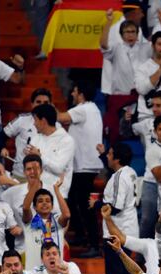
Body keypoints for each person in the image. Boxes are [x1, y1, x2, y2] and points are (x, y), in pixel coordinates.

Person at [57, 81, 103, 257]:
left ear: (81, 93)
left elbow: (61, 117)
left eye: (75, 91)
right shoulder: (93, 108)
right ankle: (83, 236)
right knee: (75, 200)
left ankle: (93, 244)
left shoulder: (83, 108)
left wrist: (46, 106)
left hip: (84, 165)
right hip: (85, 164)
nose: (72, 94)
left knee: (84, 205)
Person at [90, 143, 139, 274]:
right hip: (128, 229)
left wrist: (96, 204)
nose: (108, 157)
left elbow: (115, 208)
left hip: (117, 232)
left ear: (117, 158)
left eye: (110, 154)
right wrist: (103, 154)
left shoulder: (119, 177)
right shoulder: (130, 172)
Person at [100, 11, 151, 143]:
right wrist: (109, 22)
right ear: (122, 35)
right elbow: (103, 45)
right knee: (117, 136)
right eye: (127, 32)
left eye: (133, 31)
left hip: (140, 99)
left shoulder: (145, 48)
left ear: (137, 34)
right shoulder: (116, 48)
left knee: (142, 136)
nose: (130, 35)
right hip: (120, 99)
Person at [0, 155, 60, 256]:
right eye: (29, 169)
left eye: (35, 169)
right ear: (24, 172)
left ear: (41, 170)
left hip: (48, 250)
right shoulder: (13, 193)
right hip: (23, 249)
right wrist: (12, 224)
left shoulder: (52, 191)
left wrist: (61, 237)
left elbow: (62, 219)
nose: (32, 172)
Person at [25, 104, 75, 199]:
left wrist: (39, 156)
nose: (34, 124)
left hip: (58, 196)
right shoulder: (35, 139)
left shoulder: (66, 140)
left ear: (43, 121)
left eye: (35, 120)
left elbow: (59, 168)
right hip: (36, 193)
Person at [2, 88, 52, 179]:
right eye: (38, 102)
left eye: (45, 103)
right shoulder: (21, 120)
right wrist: (2, 148)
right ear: (32, 104)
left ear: (51, 105)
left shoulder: (57, 126)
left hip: (45, 178)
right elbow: (1, 137)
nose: (42, 106)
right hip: (21, 176)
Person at [22, 180, 70, 271]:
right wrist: (35, 184)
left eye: (48, 201)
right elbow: (25, 208)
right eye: (40, 201)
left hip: (55, 273)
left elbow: (67, 215)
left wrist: (56, 190)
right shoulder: (29, 222)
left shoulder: (57, 221)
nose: (44, 203)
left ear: (52, 206)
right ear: (35, 207)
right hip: (34, 273)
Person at [135, 31, 161, 121]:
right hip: (148, 116)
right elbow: (142, 89)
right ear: (153, 46)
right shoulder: (143, 68)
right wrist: (160, 69)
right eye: (160, 44)